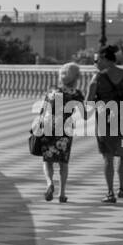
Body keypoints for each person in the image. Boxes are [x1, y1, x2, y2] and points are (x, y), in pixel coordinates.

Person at [85, 44, 123, 203]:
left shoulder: (98, 77)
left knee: (108, 158)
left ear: (104, 59)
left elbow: (88, 101)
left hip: (105, 118)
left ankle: (110, 193)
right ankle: (121, 189)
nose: (95, 63)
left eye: (96, 59)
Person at [33, 62, 84, 203]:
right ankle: (62, 194)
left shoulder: (52, 90)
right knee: (63, 161)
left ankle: (49, 183)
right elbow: (85, 114)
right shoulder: (77, 94)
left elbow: (43, 110)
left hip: (49, 126)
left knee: (47, 160)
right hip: (65, 129)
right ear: (76, 78)